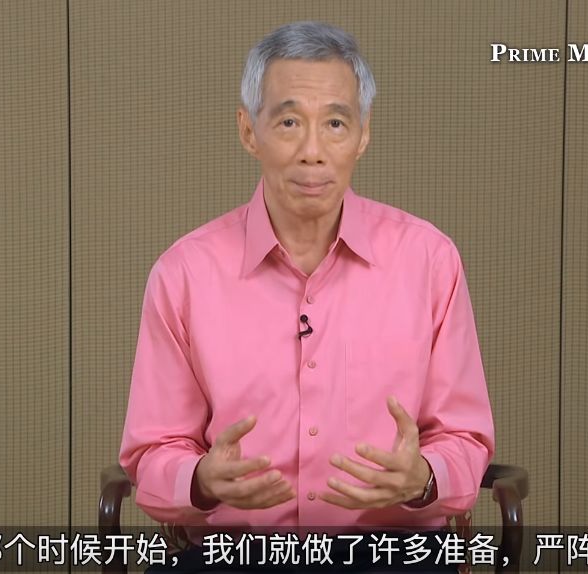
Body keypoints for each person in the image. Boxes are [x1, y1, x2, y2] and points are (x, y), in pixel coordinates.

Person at [120, 21, 494, 572]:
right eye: (289, 122)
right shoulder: (185, 273)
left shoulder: (429, 261)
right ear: (249, 132)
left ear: (363, 135)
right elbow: (153, 451)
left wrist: (424, 480)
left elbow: (465, 436)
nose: (313, 151)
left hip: (391, 553)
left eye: (335, 123)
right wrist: (199, 480)